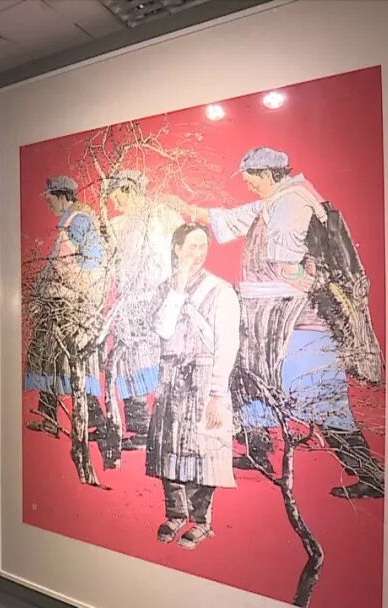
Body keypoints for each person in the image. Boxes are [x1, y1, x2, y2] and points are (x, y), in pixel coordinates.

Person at [172, 147, 384, 500]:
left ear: (269, 174)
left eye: (251, 179)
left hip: (296, 319)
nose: (249, 185)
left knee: (319, 394)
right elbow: (235, 218)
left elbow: (288, 266)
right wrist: (189, 209)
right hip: (270, 317)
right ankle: (257, 451)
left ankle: (369, 475)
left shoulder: (291, 204)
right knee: (251, 381)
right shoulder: (278, 199)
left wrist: (305, 282)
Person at [145, 223, 240, 549]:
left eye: (203, 247)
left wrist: (216, 394)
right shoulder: (165, 289)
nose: (198, 254)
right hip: (172, 378)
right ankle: (175, 513)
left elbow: (227, 346)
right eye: (191, 247)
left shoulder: (221, 291)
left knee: (204, 449)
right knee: (169, 447)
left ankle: (201, 520)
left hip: (205, 378)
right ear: (177, 248)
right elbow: (162, 329)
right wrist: (178, 287)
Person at [24, 175, 112, 454]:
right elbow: (54, 264)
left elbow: (93, 265)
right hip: (57, 301)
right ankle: (49, 416)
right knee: (46, 355)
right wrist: (40, 292)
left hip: (72, 304)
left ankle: (95, 420)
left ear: (62, 196)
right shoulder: (68, 222)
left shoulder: (80, 221)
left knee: (70, 360)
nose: (48, 203)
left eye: (50, 198)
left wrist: (70, 285)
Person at [102, 169, 183, 451]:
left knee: (163, 359)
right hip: (130, 301)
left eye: (117, 197)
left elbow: (182, 252)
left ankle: (169, 427)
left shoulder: (164, 215)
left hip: (159, 298)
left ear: (131, 190)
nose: (115, 203)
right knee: (128, 360)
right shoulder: (117, 224)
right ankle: (139, 427)